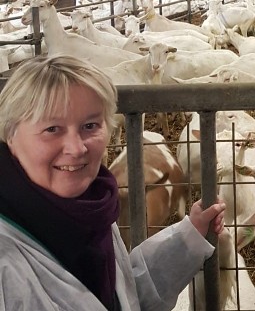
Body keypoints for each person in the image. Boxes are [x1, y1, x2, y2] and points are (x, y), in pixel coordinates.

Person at [0, 54, 226, 311]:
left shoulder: (94, 207)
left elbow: (123, 298)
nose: (76, 148)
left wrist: (190, 235)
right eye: (52, 129)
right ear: (10, 134)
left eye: (90, 125)